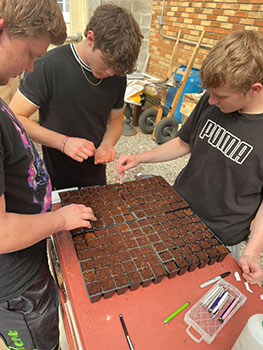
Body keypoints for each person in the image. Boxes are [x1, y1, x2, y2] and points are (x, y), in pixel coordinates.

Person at [116, 29, 263, 285]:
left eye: (221, 96)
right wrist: (141, 157)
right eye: (210, 93)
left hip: (221, 237)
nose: (212, 100)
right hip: (178, 212)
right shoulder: (211, 98)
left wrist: (252, 251)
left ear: (254, 89)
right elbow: (184, 143)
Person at [0, 1, 97, 349]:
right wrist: (60, 219)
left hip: (28, 258)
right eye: (30, 54)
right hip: (15, 287)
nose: (29, 68)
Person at [9, 3, 143, 190]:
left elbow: (115, 122)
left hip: (95, 177)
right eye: (107, 63)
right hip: (54, 177)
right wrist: (64, 143)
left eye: (117, 69)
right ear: (91, 38)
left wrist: (106, 145)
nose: (110, 72)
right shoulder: (48, 66)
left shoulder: (117, 75)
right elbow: (16, 118)